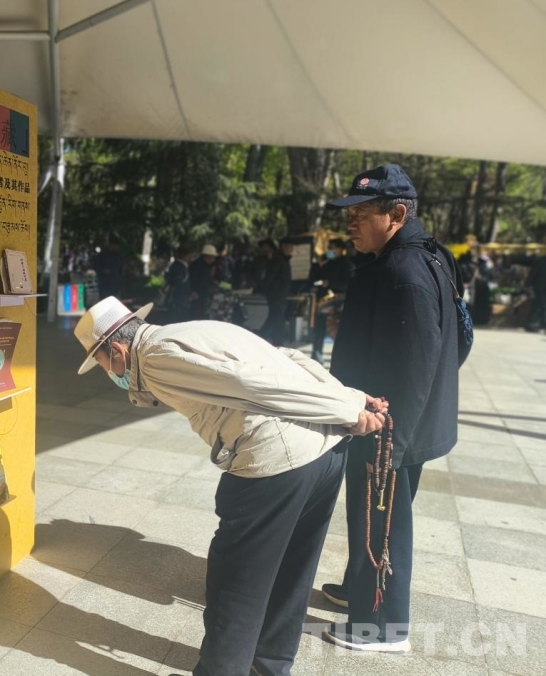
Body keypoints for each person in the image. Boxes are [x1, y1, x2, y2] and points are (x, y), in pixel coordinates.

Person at [73, 296, 388, 676]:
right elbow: (288, 357)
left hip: (278, 463)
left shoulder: (155, 358)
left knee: (236, 584)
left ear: (117, 351)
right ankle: (269, 666)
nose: (107, 373)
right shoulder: (187, 331)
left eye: (102, 363)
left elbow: (253, 384)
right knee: (292, 572)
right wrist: (349, 397)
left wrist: (349, 409)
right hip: (324, 454)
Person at [320, 164, 463, 653]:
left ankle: (382, 627)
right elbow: (453, 340)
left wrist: (390, 447)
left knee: (383, 520)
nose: (350, 222)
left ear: (397, 214)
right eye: (349, 213)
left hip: (386, 427)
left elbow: (416, 362)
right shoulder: (422, 256)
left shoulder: (405, 271)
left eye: (362, 213)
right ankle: (360, 588)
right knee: (374, 517)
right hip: (397, 420)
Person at [310, 239, 355, 363]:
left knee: (336, 332)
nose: (329, 250)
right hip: (323, 302)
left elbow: (348, 284)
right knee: (319, 329)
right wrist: (317, 265)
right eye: (328, 247)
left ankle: (341, 358)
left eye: (332, 247)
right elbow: (314, 278)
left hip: (338, 305)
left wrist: (330, 283)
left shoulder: (347, 265)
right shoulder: (326, 263)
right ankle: (316, 354)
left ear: (340, 249)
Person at [256, 239, 291, 346]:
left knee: (276, 316)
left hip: (277, 292)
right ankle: (267, 337)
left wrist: (261, 286)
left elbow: (271, 276)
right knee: (275, 316)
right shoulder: (278, 259)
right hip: (277, 292)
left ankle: (266, 337)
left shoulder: (278, 259)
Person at [164, 245, 193, 324]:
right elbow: (178, 283)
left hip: (179, 297)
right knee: (177, 318)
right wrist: (188, 293)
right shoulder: (179, 267)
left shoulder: (180, 266)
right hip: (178, 297)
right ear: (185, 256)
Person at [188, 244, 218, 319]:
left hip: (203, 294)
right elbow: (193, 279)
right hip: (197, 294)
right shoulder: (197, 265)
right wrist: (193, 290)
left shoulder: (208, 266)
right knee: (197, 314)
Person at [526, 252, 546, 332]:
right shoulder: (540, 261)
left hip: (538, 287)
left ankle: (534, 324)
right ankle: (536, 324)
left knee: (538, 305)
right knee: (540, 306)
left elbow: (533, 273)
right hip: (540, 287)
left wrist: (528, 283)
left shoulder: (539, 261)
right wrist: (528, 283)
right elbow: (533, 273)